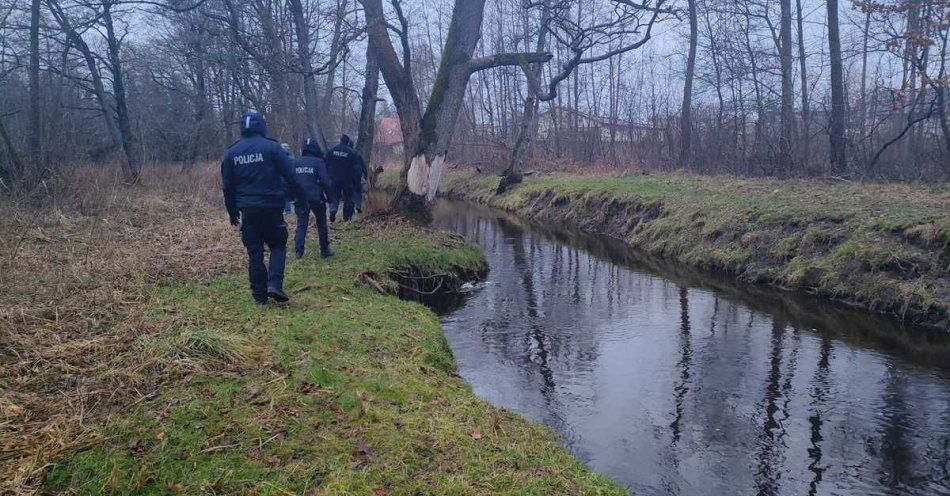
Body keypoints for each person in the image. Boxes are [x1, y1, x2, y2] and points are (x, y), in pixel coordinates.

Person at [221, 112, 307, 305]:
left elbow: (227, 186)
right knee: (277, 244)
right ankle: (274, 284)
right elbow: (291, 176)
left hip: (248, 210)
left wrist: (232, 212)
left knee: (254, 250)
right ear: (262, 127)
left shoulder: (231, 153)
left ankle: (259, 296)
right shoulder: (272, 148)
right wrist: (302, 199)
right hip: (272, 208)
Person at [293, 138, 335, 259]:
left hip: (300, 198)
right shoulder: (319, 162)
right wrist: (331, 198)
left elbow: (291, 180)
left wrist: (292, 196)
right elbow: (325, 182)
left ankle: (299, 252)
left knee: (301, 224)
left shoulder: (296, 162)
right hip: (316, 198)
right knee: (321, 224)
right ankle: (324, 250)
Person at [324, 134, 366, 222]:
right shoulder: (352, 153)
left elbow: (325, 163)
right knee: (348, 199)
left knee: (335, 196)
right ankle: (347, 218)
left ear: (340, 140)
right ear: (348, 142)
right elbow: (357, 168)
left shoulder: (332, 150)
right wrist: (357, 181)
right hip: (348, 180)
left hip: (334, 178)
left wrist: (327, 175)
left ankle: (333, 209)